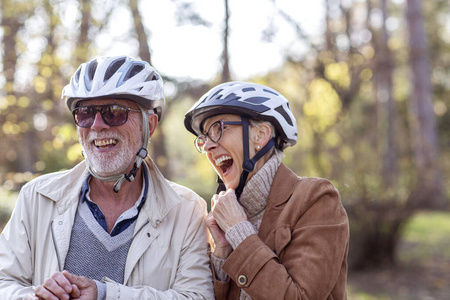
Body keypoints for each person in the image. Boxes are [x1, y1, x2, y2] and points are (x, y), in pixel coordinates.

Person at [0, 56, 214, 300]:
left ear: (149, 125)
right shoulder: (36, 197)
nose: (97, 125)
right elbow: (3, 282)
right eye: (85, 113)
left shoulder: (187, 210)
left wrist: (105, 295)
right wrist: (36, 297)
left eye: (115, 112)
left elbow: (198, 297)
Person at [184, 81, 349, 299]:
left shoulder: (316, 198)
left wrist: (239, 232)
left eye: (218, 129)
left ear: (260, 136)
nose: (207, 146)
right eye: (203, 137)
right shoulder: (226, 215)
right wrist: (222, 252)